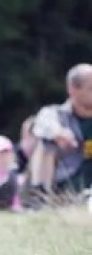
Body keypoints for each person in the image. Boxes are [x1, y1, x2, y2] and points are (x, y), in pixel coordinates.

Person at [29, 64, 92, 194]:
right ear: (73, 90)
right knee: (46, 143)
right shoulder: (56, 114)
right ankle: (41, 195)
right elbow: (43, 124)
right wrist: (57, 133)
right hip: (64, 184)